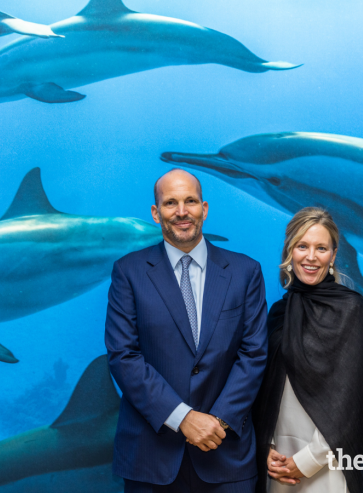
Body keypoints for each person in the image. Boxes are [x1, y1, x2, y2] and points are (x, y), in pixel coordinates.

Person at [105, 169, 269, 493]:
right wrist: (183, 418)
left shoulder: (245, 272)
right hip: (151, 460)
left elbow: (254, 354)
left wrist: (217, 421)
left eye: (190, 201)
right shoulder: (128, 272)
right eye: (170, 203)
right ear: (156, 213)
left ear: (204, 209)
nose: (182, 212)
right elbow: (123, 356)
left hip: (227, 456)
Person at [252, 207, 363, 493]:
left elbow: (350, 401)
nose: (311, 257)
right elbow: (264, 387)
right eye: (302, 246)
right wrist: (265, 447)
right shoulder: (279, 312)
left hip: (328, 460)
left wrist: (307, 461)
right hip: (278, 459)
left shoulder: (351, 308)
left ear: (334, 254)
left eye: (321, 248)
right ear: (289, 251)